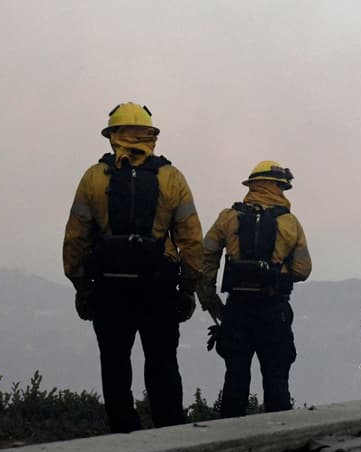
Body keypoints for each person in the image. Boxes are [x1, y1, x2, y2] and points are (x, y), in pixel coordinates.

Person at [62, 102, 205, 433]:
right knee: (163, 363)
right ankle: (171, 436)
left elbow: (76, 239)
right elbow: (192, 240)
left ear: (113, 136)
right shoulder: (171, 178)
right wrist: (188, 287)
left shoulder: (94, 178)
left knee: (114, 365)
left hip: (109, 289)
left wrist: (82, 287)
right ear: (150, 135)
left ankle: (124, 437)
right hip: (158, 289)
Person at [199, 161, 311, 417]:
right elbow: (304, 269)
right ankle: (281, 442)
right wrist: (276, 274)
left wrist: (210, 299)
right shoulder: (290, 223)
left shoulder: (228, 217)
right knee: (276, 379)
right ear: (279, 187)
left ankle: (228, 442)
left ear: (252, 186)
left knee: (235, 377)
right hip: (273, 309)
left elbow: (205, 257)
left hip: (237, 309)